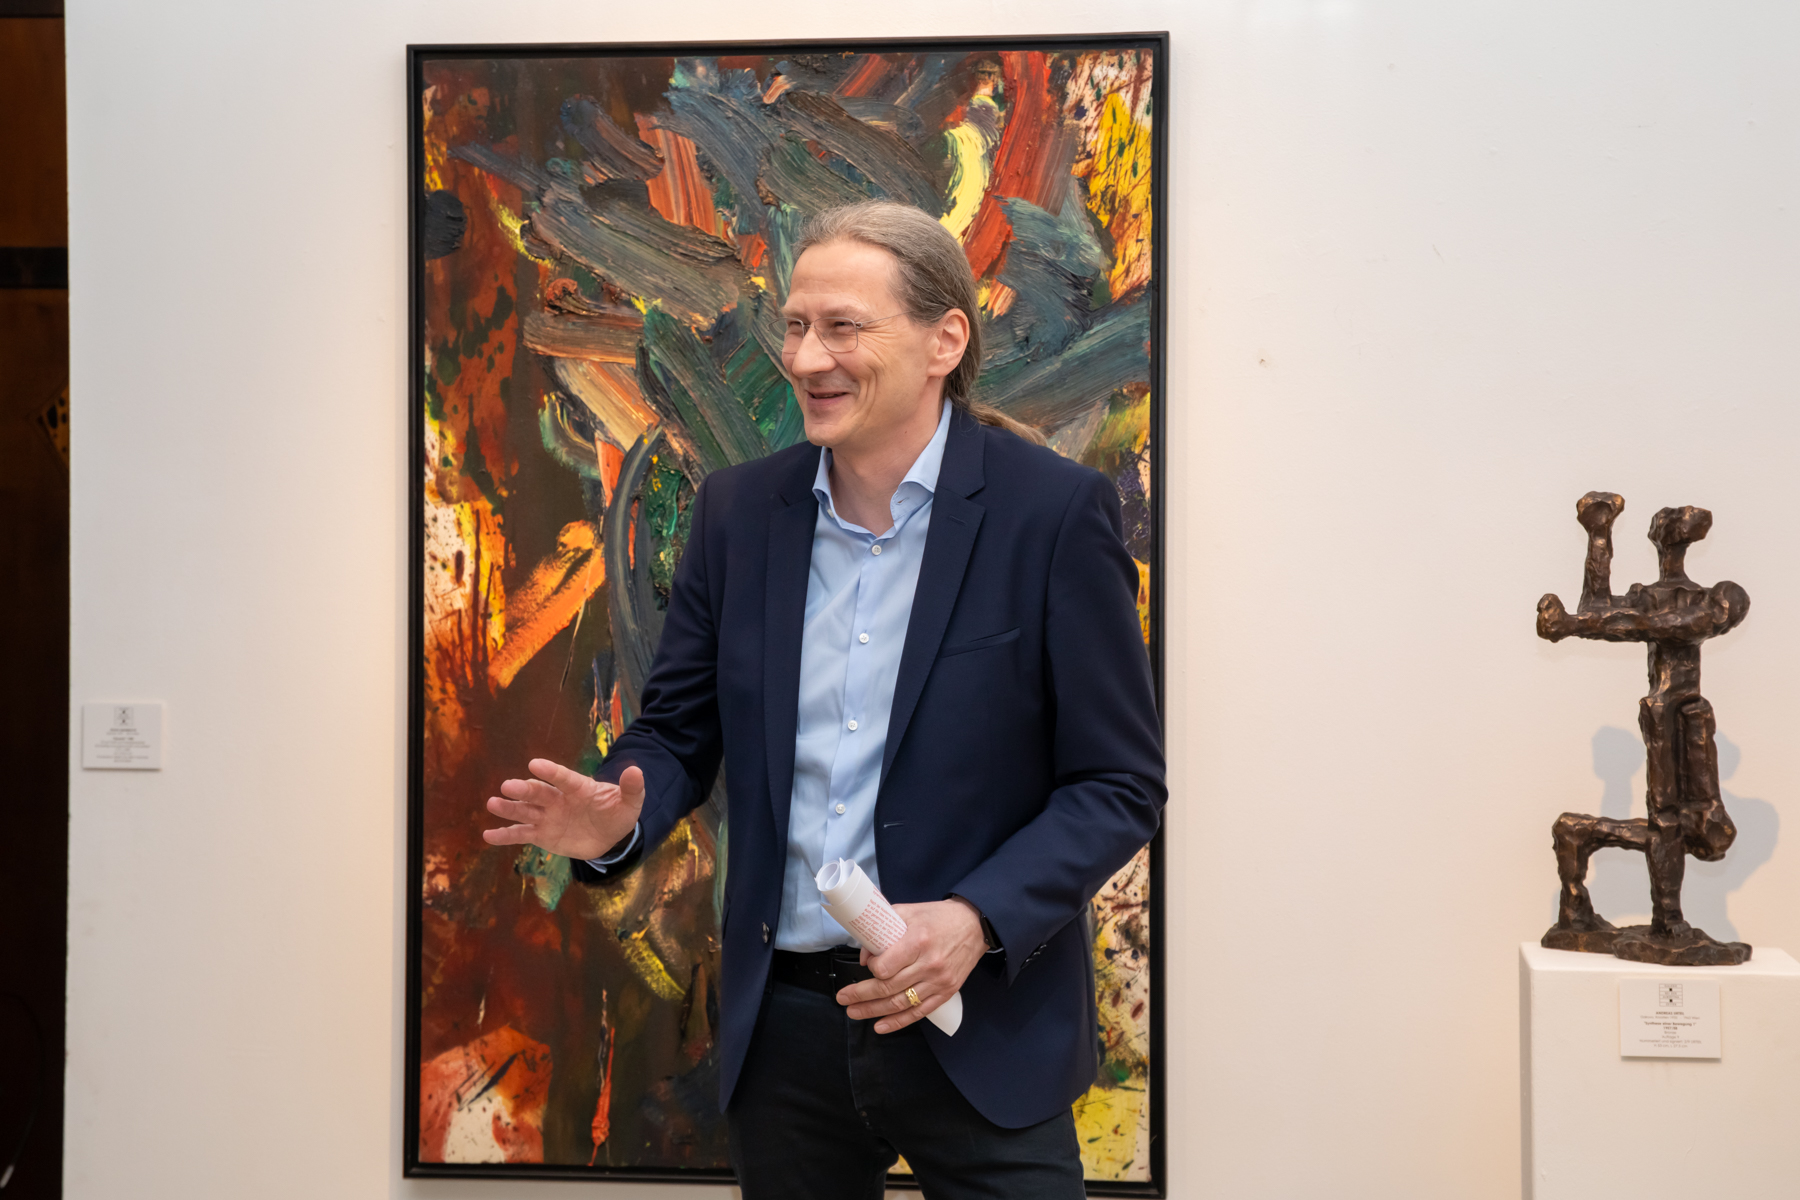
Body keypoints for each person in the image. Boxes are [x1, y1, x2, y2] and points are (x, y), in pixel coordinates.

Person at [482, 199, 1164, 1198]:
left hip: (981, 1022)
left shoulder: (1052, 515)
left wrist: (975, 918)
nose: (806, 359)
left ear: (944, 341)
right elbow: (676, 734)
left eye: (843, 327)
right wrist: (620, 819)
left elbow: (1117, 783)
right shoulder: (737, 513)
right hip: (787, 1035)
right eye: (796, 325)